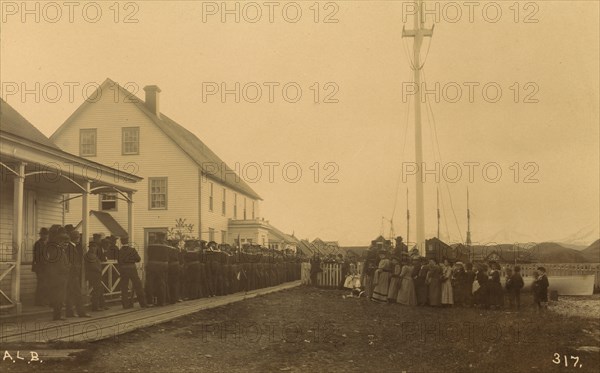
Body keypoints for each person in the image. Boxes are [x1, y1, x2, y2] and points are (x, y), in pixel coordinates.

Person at [44, 225, 71, 320]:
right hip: (58, 278)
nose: (66, 245)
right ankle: (57, 315)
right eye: (65, 243)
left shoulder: (59, 250)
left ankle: (58, 315)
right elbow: (59, 266)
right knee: (58, 297)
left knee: (59, 297)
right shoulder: (58, 251)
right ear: (60, 242)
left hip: (59, 277)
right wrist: (68, 268)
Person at [65, 230, 90, 317]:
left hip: (71, 274)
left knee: (70, 293)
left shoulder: (71, 247)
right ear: (76, 238)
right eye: (78, 237)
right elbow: (71, 262)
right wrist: (76, 269)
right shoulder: (70, 247)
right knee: (77, 293)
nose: (79, 239)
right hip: (72, 275)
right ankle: (81, 312)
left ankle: (69, 312)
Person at [118, 236, 147, 309]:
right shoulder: (132, 250)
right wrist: (131, 260)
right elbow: (138, 259)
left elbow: (120, 261)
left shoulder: (119, 251)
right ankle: (143, 303)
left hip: (123, 270)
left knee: (124, 287)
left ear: (121, 242)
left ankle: (125, 305)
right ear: (128, 242)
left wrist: (125, 261)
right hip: (132, 269)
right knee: (138, 285)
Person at [85, 241, 106, 312]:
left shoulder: (93, 255)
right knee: (96, 290)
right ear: (90, 248)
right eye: (92, 247)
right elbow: (92, 266)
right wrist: (99, 270)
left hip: (96, 274)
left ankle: (102, 305)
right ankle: (95, 307)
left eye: (95, 247)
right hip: (93, 274)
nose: (94, 248)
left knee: (99, 289)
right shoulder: (89, 255)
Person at [32, 227, 49, 306]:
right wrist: (46, 262)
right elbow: (38, 257)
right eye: (43, 235)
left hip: (45, 267)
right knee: (41, 284)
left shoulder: (46, 243)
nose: (45, 236)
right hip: (40, 267)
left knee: (45, 284)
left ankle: (42, 300)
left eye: (46, 235)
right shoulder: (38, 244)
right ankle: (39, 301)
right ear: (41, 235)